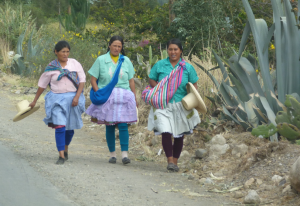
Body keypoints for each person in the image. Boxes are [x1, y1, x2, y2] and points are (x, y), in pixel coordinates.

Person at [147, 38, 200, 172]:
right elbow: (151, 79)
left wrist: (192, 100)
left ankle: (175, 162)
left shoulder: (187, 67)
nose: (173, 52)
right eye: (170, 49)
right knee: (165, 131)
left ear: (181, 51)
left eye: (175, 49)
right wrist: (160, 90)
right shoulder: (160, 65)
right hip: (163, 104)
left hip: (181, 105)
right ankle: (170, 160)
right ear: (167, 51)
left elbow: (194, 86)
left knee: (179, 134)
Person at [29, 40, 86, 165]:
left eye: (67, 52)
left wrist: (77, 97)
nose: (65, 54)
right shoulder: (51, 67)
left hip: (73, 99)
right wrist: (34, 101)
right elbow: (42, 85)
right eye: (62, 52)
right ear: (56, 52)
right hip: (56, 99)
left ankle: (65, 148)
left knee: (70, 129)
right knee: (60, 126)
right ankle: (61, 155)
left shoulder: (75, 64)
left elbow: (82, 81)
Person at [85, 36, 137, 165]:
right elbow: (93, 79)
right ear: (109, 46)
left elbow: (131, 80)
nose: (117, 48)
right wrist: (99, 93)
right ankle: (112, 154)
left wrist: (134, 96)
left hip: (124, 96)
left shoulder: (126, 61)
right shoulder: (101, 60)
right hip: (107, 96)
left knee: (123, 125)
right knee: (110, 125)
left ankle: (125, 155)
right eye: (114, 46)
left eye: (119, 46)